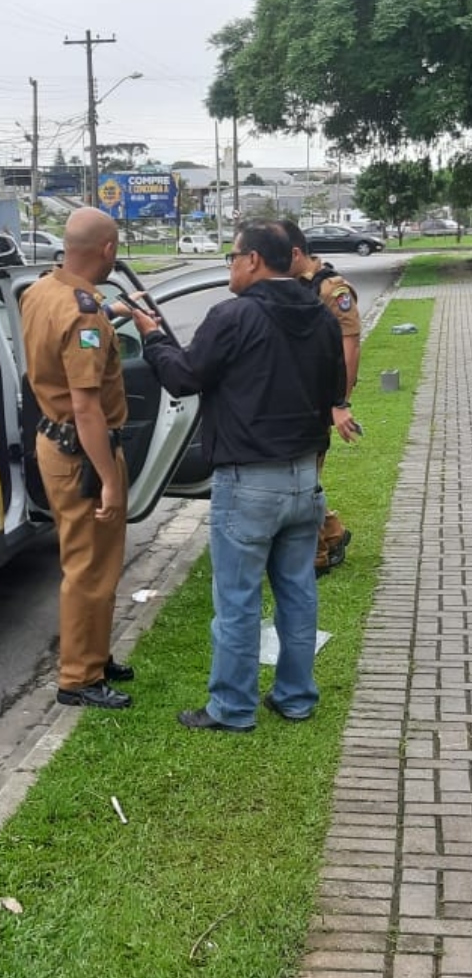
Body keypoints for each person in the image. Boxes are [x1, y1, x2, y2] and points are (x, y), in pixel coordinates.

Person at [129, 220, 359, 731]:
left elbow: (185, 377)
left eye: (233, 256)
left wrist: (151, 337)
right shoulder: (320, 316)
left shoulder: (232, 316)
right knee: (298, 594)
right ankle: (296, 697)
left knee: (237, 600)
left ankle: (232, 709)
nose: (229, 266)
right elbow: (335, 388)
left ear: (254, 260)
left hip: (249, 481)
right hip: (304, 478)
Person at [20, 207, 134, 710]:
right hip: (83, 449)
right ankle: (79, 678)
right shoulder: (84, 312)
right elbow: (87, 406)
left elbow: (64, 339)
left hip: (54, 439)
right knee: (89, 566)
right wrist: (109, 478)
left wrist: (113, 318)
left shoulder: (42, 291)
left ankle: (95, 655)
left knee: (98, 561)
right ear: (106, 250)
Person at [281, 219, 360, 574]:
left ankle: (316, 557)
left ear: (295, 252)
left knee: (303, 481)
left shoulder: (332, 289)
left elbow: (349, 347)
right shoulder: (290, 286)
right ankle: (331, 530)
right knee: (300, 477)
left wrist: (338, 402)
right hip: (295, 396)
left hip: (319, 399)